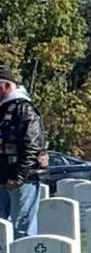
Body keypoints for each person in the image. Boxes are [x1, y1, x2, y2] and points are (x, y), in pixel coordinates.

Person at [0, 65, 48, 235]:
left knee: (22, 226)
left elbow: (31, 146)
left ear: (5, 86)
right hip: (3, 175)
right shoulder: (3, 108)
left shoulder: (24, 109)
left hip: (22, 178)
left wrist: (19, 176)